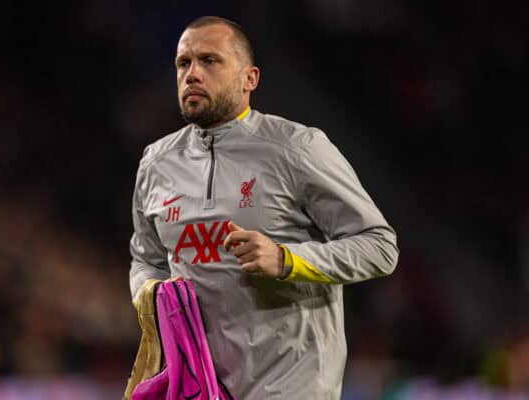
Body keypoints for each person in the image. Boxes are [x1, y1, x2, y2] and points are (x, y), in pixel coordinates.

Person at [129, 15, 399, 399]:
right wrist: (150, 292)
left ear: (249, 79)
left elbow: (380, 246)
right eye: (183, 63)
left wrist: (287, 259)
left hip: (292, 383)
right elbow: (146, 260)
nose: (191, 74)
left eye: (210, 61)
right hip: (203, 386)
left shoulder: (297, 148)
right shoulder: (156, 163)